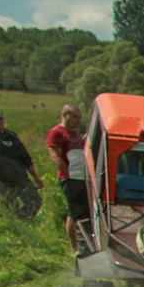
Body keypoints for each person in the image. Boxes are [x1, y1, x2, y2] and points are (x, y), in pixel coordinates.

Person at [0, 107, 43, 219]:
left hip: (21, 178)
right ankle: (19, 226)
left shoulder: (11, 135)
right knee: (11, 210)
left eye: (0, 118)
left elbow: (24, 157)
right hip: (2, 181)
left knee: (36, 201)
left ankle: (26, 219)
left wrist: (35, 177)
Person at [44, 103, 89, 252]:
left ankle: (86, 243)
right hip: (70, 177)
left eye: (80, 117)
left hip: (83, 177)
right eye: (75, 117)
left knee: (85, 211)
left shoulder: (76, 134)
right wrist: (67, 174)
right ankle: (74, 247)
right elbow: (54, 156)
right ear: (65, 115)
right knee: (74, 211)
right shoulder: (56, 132)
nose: (78, 120)